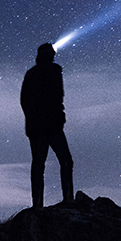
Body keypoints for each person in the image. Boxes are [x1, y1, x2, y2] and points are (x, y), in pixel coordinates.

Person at [20, 43, 74, 208]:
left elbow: (24, 100)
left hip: (36, 126)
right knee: (65, 161)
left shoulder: (31, 74)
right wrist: (59, 117)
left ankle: (37, 204)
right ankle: (68, 199)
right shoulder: (54, 70)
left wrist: (32, 119)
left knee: (38, 164)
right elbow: (58, 96)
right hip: (51, 125)